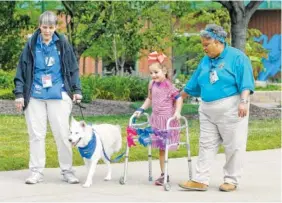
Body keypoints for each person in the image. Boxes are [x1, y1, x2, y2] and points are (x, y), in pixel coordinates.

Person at [178, 24, 255, 192]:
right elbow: (194, 83)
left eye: (206, 45)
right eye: (203, 45)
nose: (204, 49)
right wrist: (179, 96)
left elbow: (246, 82)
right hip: (206, 109)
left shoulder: (237, 57)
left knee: (234, 144)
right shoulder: (205, 60)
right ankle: (200, 179)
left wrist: (244, 101)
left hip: (231, 108)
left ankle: (231, 180)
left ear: (219, 41)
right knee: (205, 144)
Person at [13, 11, 82, 184]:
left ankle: (67, 171)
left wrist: (76, 89)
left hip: (58, 93)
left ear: (56, 27)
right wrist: (19, 94)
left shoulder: (62, 44)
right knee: (36, 135)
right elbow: (21, 70)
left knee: (62, 133)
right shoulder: (31, 44)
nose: (48, 31)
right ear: (39, 26)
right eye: (45, 27)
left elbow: (73, 68)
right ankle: (36, 172)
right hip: (35, 94)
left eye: (51, 27)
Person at [133, 51, 183, 186]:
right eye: (151, 73)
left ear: (164, 71)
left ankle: (174, 144)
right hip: (157, 120)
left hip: (167, 119)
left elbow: (178, 99)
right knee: (161, 148)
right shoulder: (152, 84)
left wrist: (177, 112)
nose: (153, 75)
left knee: (166, 147)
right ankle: (163, 174)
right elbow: (149, 99)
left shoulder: (169, 86)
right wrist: (141, 109)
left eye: (156, 72)